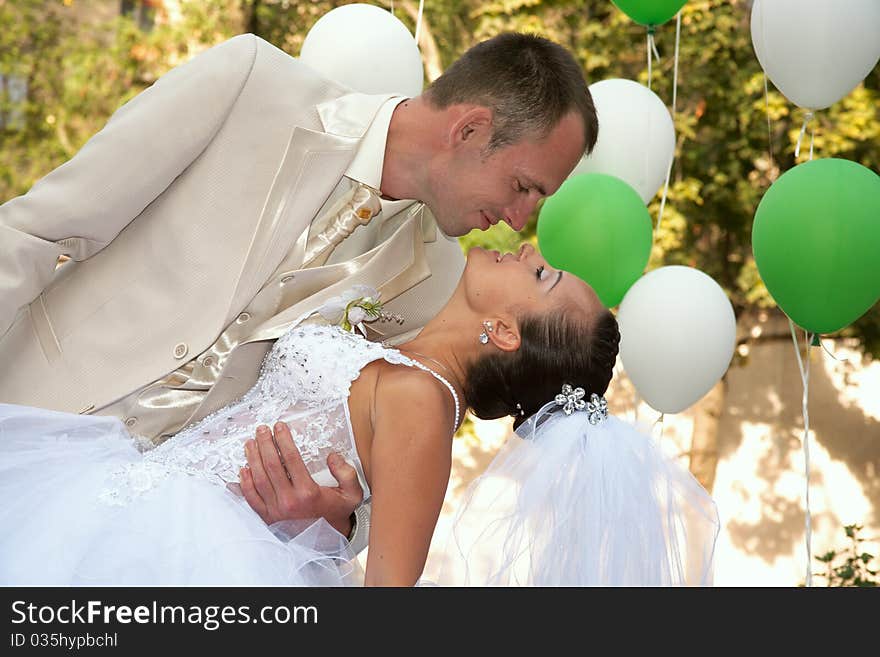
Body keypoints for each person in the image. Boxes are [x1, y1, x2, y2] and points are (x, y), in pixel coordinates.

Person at [0, 32, 598, 549]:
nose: (520, 220)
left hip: (148, 534)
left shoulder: (441, 281)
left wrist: (334, 519)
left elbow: (391, 464)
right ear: (469, 128)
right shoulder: (249, 84)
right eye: (523, 186)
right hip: (22, 415)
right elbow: (39, 229)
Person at [0, 244, 719, 586]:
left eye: (540, 276)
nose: (529, 249)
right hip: (136, 490)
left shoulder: (423, 406)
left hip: (187, 557)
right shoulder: (403, 350)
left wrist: (323, 531)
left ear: (504, 332)